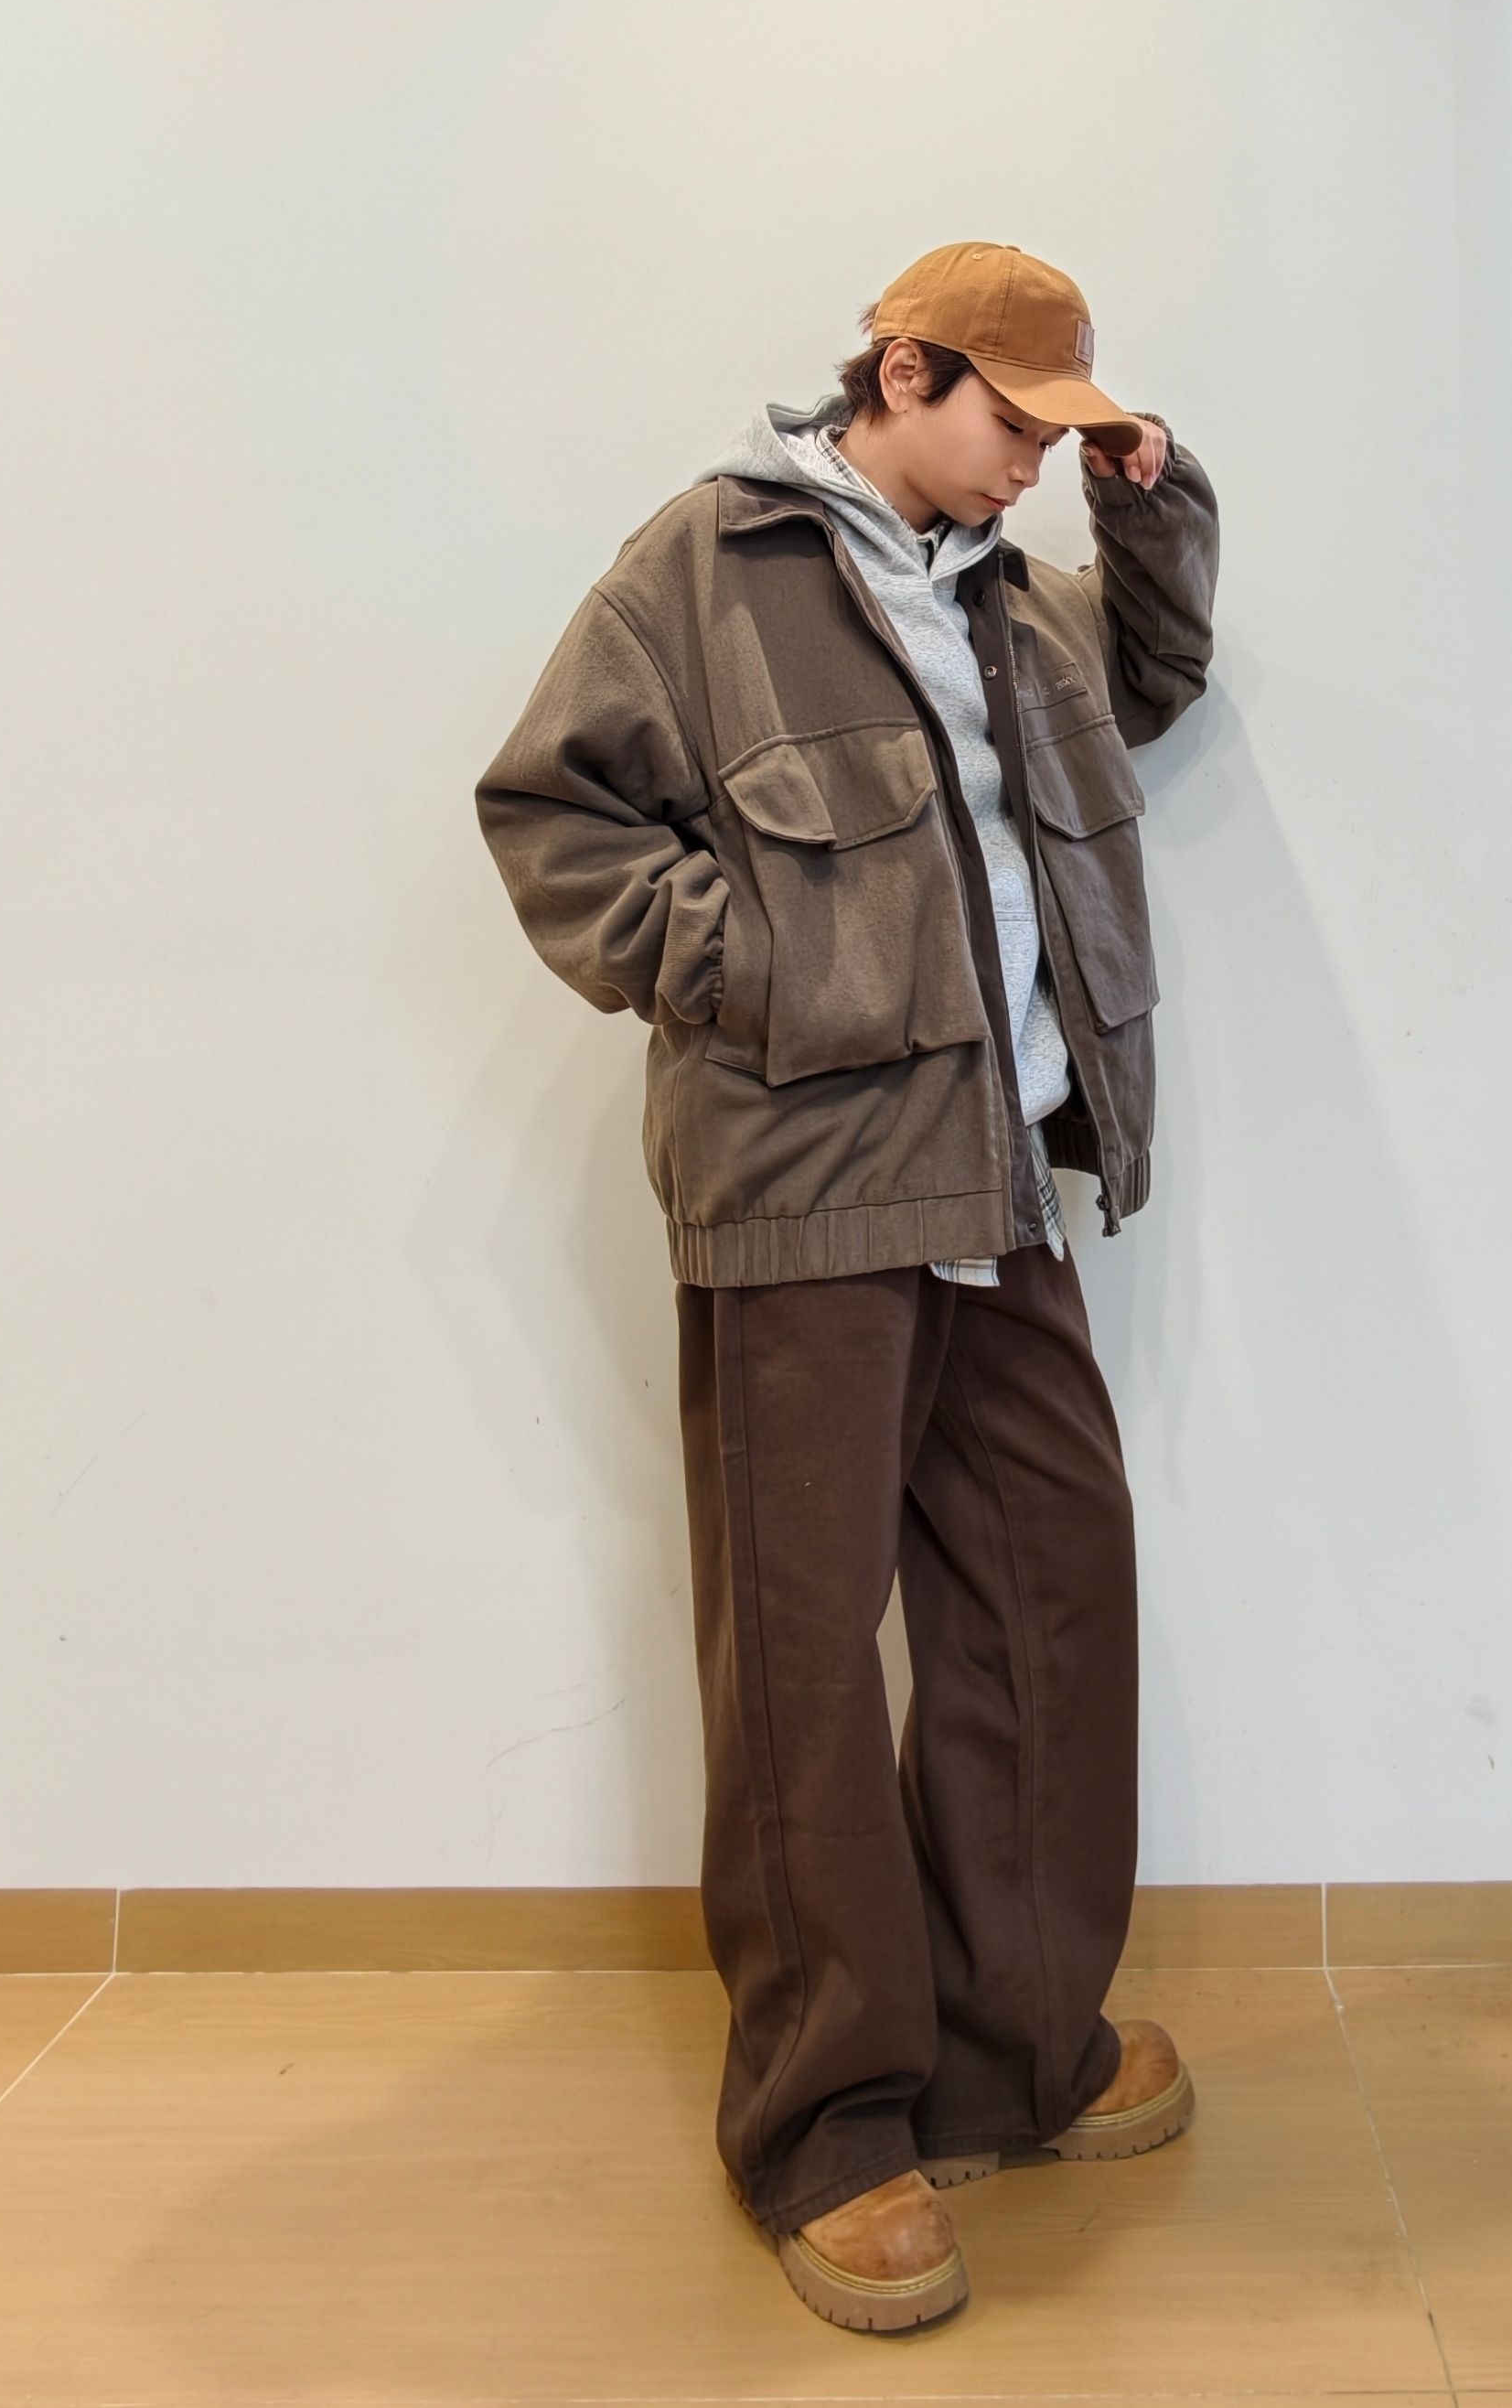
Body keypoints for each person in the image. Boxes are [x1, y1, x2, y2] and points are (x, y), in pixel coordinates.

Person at [475, 241, 1221, 2333]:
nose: (1026, 466)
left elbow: (1152, 681)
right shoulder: (703, 566)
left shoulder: (1012, 597)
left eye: (1056, 440)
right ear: (900, 372)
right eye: (1012, 425)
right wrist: (763, 969)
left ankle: (1014, 2049)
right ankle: (826, 2126)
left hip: (999, 1189)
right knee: (801, 1662)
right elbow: (550, 814)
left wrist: (1144, 506)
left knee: (1046, 1603)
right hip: (804, 1190)